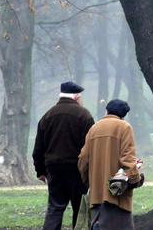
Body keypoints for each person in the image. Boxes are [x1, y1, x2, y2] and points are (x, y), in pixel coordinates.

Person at [33, 81, 95, 230]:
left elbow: (39, 148)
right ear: (76, 97)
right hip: (77, 170)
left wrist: (40, 171)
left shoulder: (47, 116)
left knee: (55, 207)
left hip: (54, 169)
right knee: (79, 208)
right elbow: (91, 146)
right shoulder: (84, 115)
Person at [78, 99, 144, 230]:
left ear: (107, 110)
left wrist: (89, 182)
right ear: (124, 115)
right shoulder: (124, 127)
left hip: (97, 194)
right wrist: (135, 179)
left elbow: (83, 159)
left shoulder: (94, 128)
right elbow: (128, 159)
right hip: (118, 194)